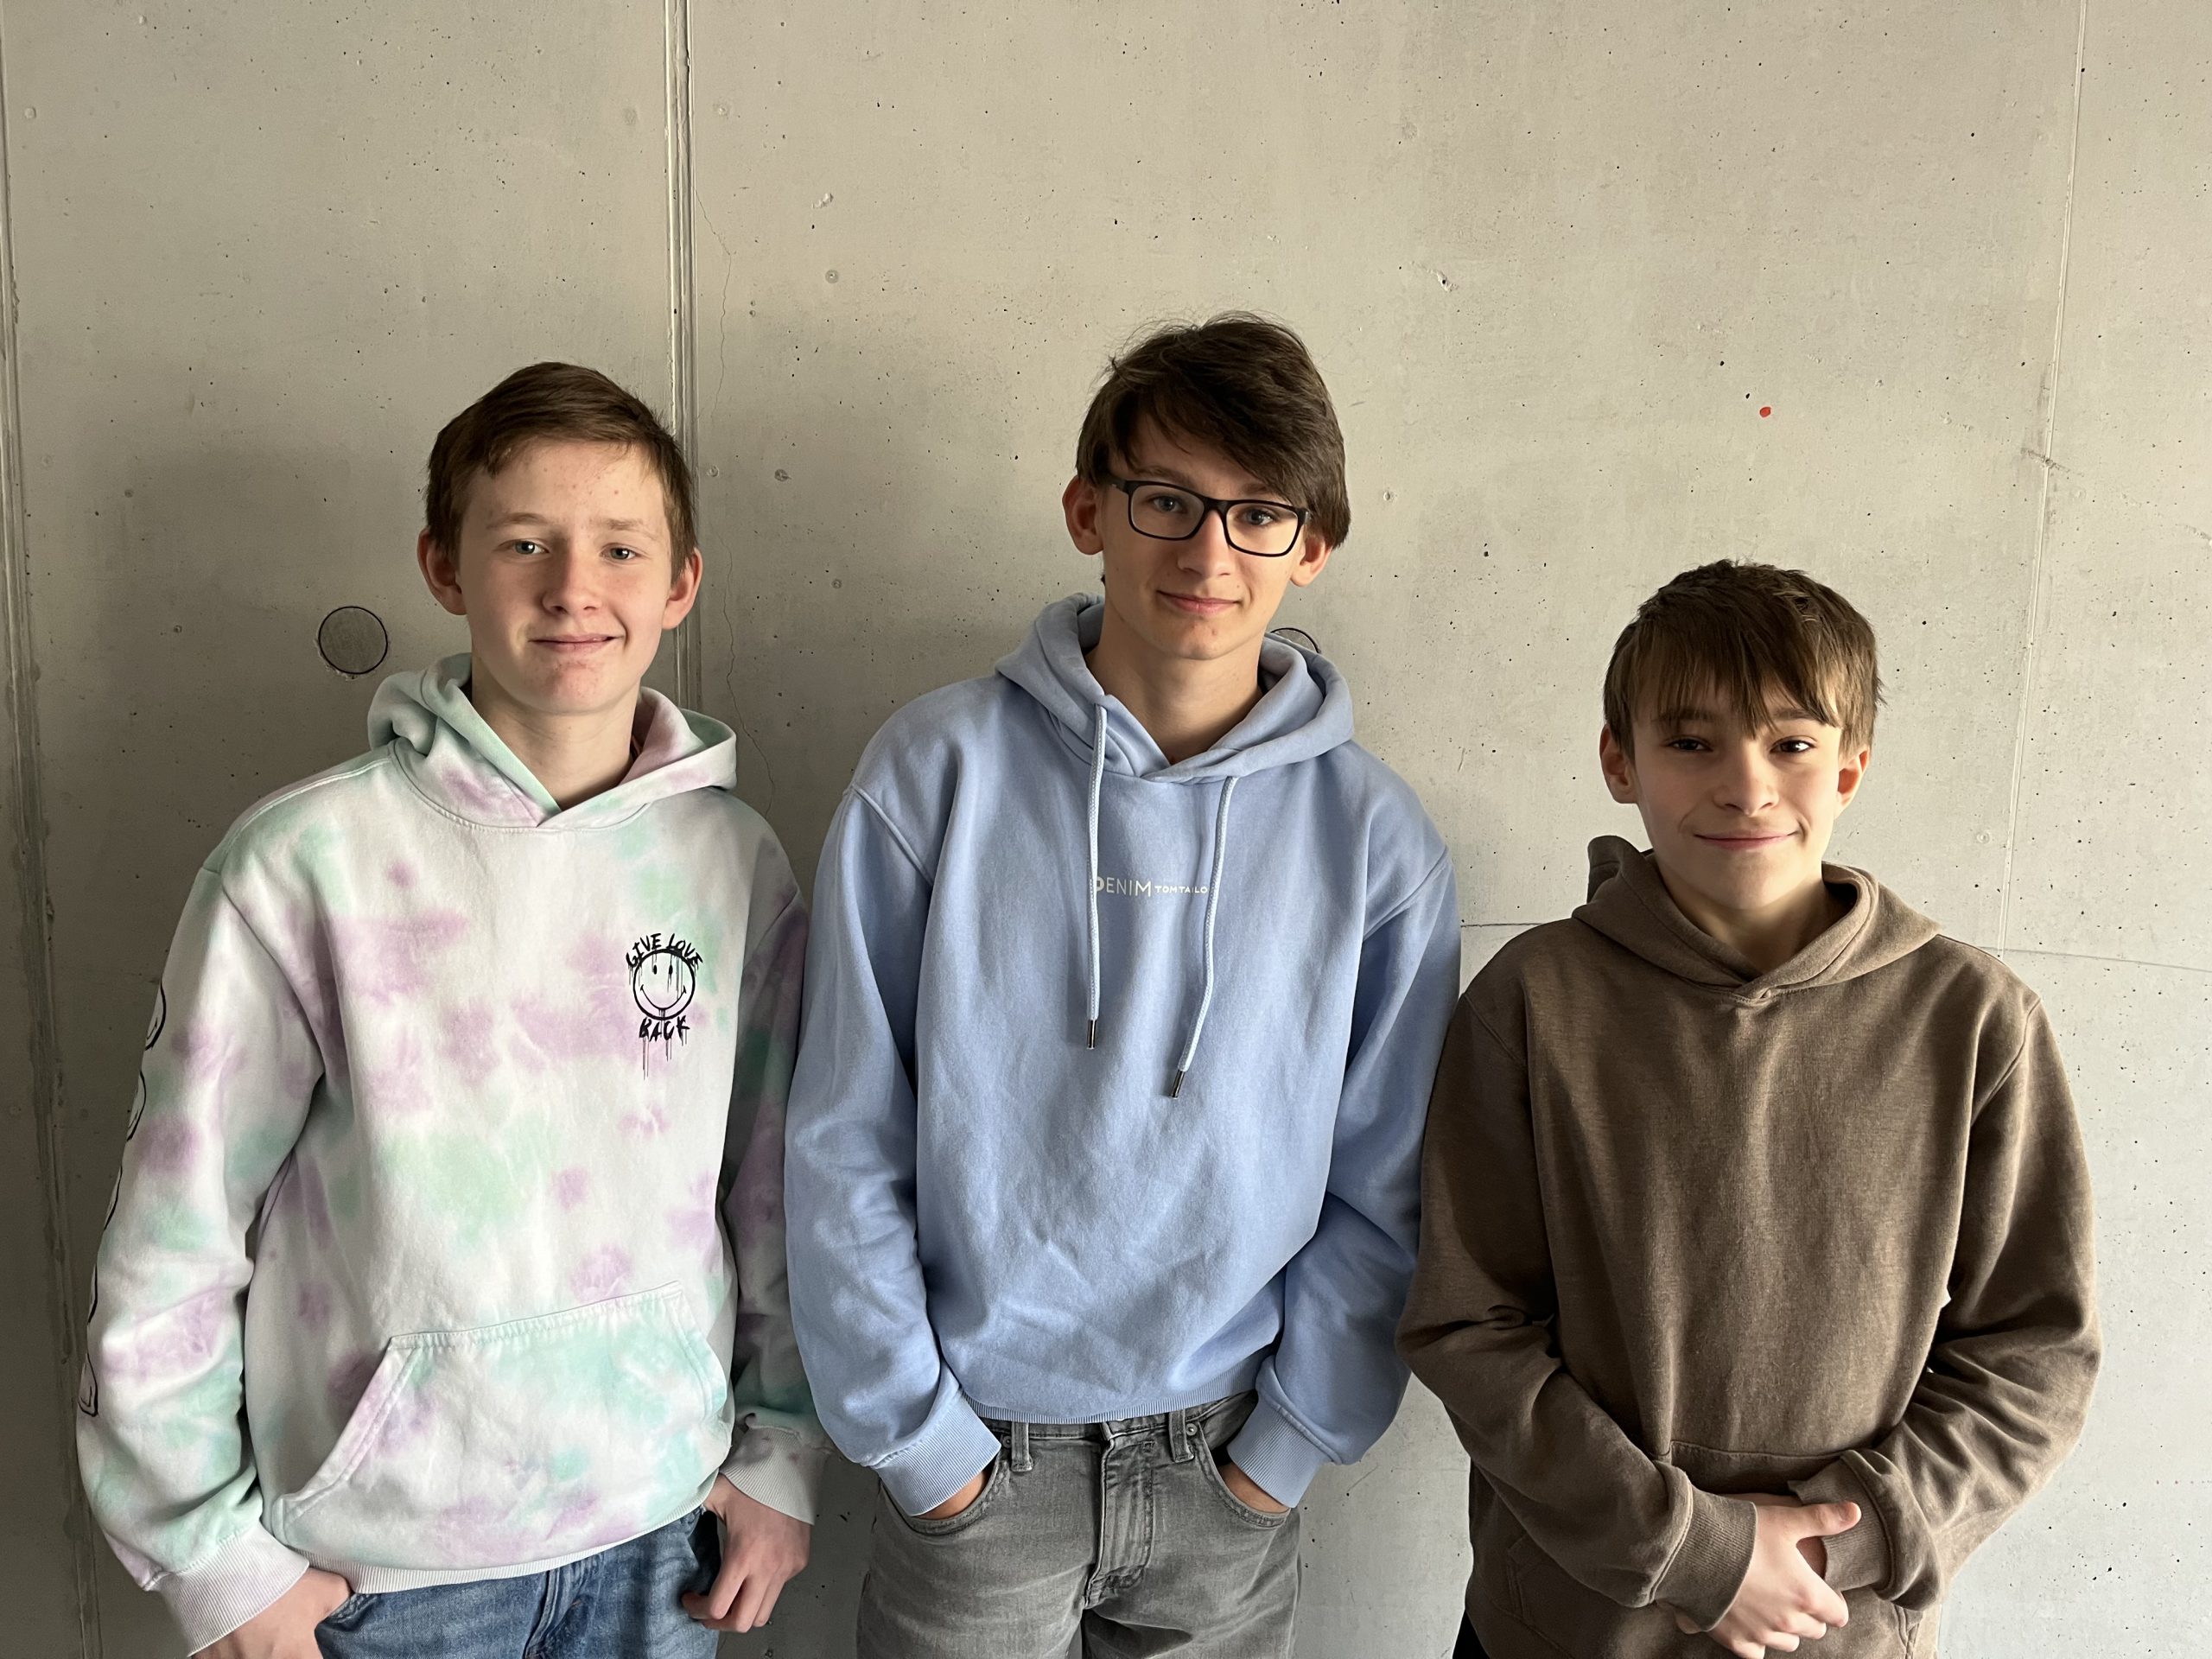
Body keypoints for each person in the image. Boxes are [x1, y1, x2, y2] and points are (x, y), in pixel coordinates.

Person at [76, 363, 824, 1658]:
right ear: (443, 566)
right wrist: (210, 1562)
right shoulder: (304, 865)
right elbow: (175, 1231)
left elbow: (773, 1193)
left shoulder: (732, 863)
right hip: (384, 1571)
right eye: (524, 542)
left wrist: (783, 1458)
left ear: (681, 583)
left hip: (663, 1535)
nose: (573, 587)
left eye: (620, 547)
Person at [785, 313, 1461, 1657]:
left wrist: (1286, 1446)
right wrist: (922, 1446)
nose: (1208, 553)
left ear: (1313, 547)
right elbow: (843, 1130)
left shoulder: (1377, 841)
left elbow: (1388, 1179)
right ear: (1088, 510)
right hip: (979, 1450)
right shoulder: (936, 772)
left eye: (1257, 515)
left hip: (1229, 1459)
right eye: (1167, 500)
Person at [1399, 560, 2101, 1659]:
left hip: (1838, 1625)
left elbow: (2036, 1348)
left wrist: (1834, 1545)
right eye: (1691, 742)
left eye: (1791, 743)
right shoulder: (1531, 1001)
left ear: (1851, 766)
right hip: (1569, 1627)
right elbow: (1468, 1322)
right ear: (1618, 760)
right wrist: (1697, 1551)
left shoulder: (1972, 1019)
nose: (1745, 786)